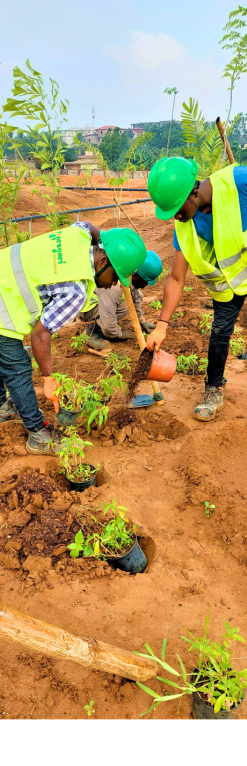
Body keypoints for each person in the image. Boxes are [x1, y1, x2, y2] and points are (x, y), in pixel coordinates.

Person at [0, 221, 146, 452]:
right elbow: (40, 335)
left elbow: (89, 226)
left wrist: (109, 241)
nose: (114, 285)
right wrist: (49, 380)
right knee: (17, 366)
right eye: (115, 277)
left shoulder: (78, 235)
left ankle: (2, 407)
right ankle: (38, 436)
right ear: (103, 261)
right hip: (3, 304)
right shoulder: (76, 290)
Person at [146, 156, 247, 421]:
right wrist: (162, 325)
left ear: (194, 192)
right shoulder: (184, 226)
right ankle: (214, 390)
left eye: (178, 209)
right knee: (219, 333)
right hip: (231, 284)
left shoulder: (240, 182)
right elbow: (176, 278)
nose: (176, 217)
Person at [80, 249, 162, 350]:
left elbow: (135, 294)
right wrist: (119, 334)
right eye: (145, 281)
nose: (146, 285)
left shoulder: (128, 273)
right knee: (127, 305)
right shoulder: (112, 288)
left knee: (138, 295)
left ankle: (99, 323)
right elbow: (108, 327)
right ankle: (91, 331)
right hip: (86, 309)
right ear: (136, 276)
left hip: (100, 302)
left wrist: (141, 321)